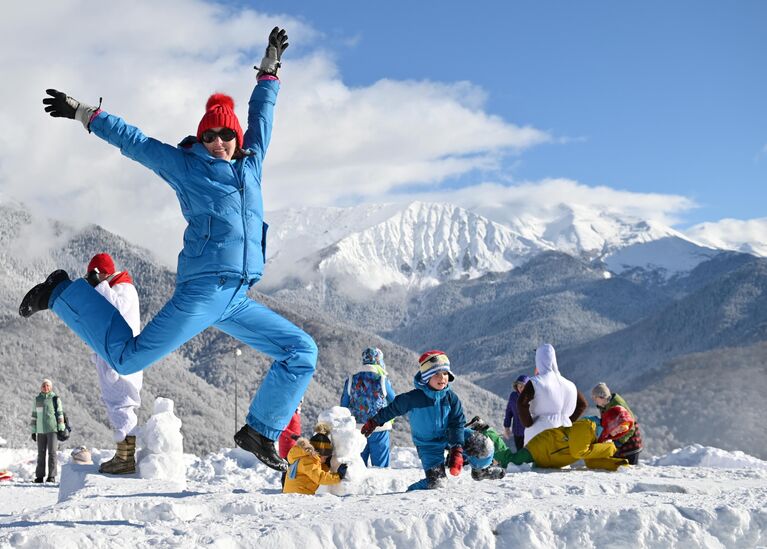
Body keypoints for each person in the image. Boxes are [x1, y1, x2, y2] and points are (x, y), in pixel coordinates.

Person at [20, 28, 316, 471]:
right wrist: (84, 113)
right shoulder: (187, 167)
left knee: (301, 350)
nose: (218, 141)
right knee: (125, 357)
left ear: (237, 139)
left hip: (236, 296)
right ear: (202, 137)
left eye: (226, 135)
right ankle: (61, 292)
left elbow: (262, 115)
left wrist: (270, 68)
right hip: (201, 292)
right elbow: (135, 142)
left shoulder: (251, 165)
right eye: (210, 134)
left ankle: (260, 430)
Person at [361, 350, 465, 491]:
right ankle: (411, 493)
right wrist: (374, 421)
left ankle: (482, 470)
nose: (442, 377)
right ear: (426, 377)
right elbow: (393, 408)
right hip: (428, 445)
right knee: (437, 482)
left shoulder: (451, 398)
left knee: (480, 444)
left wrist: (457, 448)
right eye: (436, 374)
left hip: (448, 436)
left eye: (445, 373)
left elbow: (457, 423)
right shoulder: (413, 398)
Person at [84, 253, 143, 475]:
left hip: (121, 361)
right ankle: (123, 456)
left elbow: (115, 310)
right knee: (117, 405)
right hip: (115, 358)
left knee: (123, 405)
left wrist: (99, 286)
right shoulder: (115, 287)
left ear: (102, 273)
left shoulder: (124, 289)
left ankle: (125, 460)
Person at [492, 416, 630, 471]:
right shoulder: (588, 426)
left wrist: (618, 465)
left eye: (623, 430)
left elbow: (591, 462)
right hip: (542, 447)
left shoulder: (602, 439)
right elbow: (579, 451)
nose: (619, 431)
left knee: (515, 466)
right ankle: (488, 433)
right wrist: (610, 448)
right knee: (511, 462)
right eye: (620, 426)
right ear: (612, 421)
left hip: (550, 458)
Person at [517, 344, 588, 446]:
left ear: (539, 360)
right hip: (564, 431)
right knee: (561, 460)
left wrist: (528, 423)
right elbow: (583, 404)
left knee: (537, 460)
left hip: (540, 432)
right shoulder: (569, 384)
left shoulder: (536, 382)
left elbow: (521, 402)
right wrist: (567, 420)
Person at [340, 347, 396, 467]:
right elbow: (394, 401)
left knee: (357, 466)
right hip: (379, 426)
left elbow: (343, 406)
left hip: (357, 428)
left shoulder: (351, 379)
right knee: (381, 467)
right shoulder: (382, 379)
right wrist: (390, 418)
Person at [283, 426, 348, 495]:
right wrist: (338, 476)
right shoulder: (308, 461)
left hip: (295, 492)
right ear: (318, 454)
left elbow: (315, 471)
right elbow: (319, 477)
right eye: (325, 457)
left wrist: (325, 465)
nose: (325, 459)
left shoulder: (306, 457)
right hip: (299, 494)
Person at [591, 383, 643, 464]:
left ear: (602, 397)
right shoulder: (605, 405)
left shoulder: (617, 406)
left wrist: (618, 443)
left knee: (629, 470)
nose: (594, 400)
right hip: (620, 440)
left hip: (630, 442)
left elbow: (630, 426)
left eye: (595, 398)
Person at [31, 379, 66, 483]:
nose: (45, 387)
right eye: (43, 386)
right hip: (40, 431)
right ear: (41, 387)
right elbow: (34, 415)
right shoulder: (37, 399)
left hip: (52, 429)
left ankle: (51, 476)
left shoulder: (55, 399)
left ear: (51, 387)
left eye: (48, 386)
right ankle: (40, 476)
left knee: (52, 453)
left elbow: (60, 413)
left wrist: (61, 428)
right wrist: (33, 431)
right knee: (41, 454)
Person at [503, 374, 529, 451]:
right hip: (517, 431)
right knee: (520, 452)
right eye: (519, 385)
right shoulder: (513, 396)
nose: (520, 388)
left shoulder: (532, 397)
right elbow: (509, 412)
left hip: (529, 431)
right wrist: (506, 427)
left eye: (523, 386)